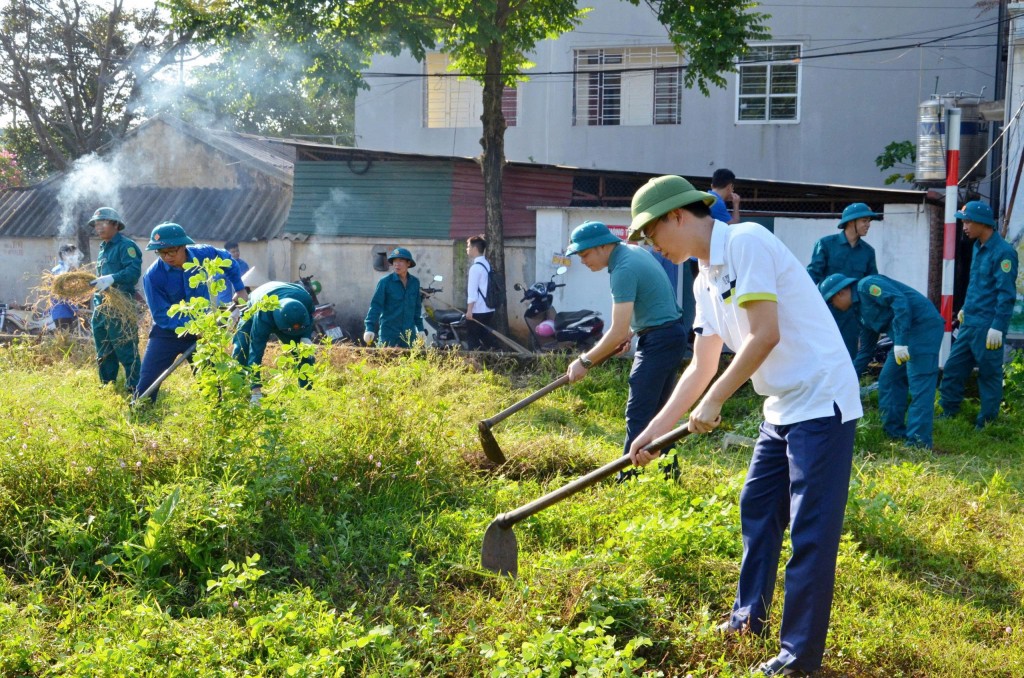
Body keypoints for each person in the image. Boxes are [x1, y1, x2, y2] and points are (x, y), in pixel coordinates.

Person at [627, 175, 862, 677]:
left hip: (821, 398)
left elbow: (764, 336)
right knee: (757, 508)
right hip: (781, 405)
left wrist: (713, 404)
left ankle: (799, 657)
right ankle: (746, 619)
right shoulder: (702, 278)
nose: (653, 247)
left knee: (811, 532)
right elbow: (700, 365)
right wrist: (651, 430)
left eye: (651, 234)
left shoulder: (746, 241)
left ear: (677, 216)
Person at [563, 221, 688, 478]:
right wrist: (632, 332)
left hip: (660, 340)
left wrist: (584, 361)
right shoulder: (633, 253)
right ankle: (671, 474)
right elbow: (652, 302)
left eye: (585, 254)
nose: (583, 261)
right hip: (669, 333)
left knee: (638, 413)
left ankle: (627, 481)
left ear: (603, 246)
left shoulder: (623, 268)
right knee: (658, 412)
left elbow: (616, 332)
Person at [820, 273, 942, 449]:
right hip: (903, 339)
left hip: (923, 329)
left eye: (831, 301)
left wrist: (900, 342)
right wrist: (847, 378)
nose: (833, 306)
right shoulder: (858, 312)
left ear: (840, 293)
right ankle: (894, 432)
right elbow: (866, 350)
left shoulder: (867, 286)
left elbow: (900, 302)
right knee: (889, 380)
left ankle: (919, 443)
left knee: (920, 385)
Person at [135, 223, 247, 402]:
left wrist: (240, 289)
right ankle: (139, 414)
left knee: (210, 384)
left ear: (183, 246)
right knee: (148, 381)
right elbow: (161, 315)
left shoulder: (205, 254)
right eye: (161, 253)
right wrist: (192, 327)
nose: (167, 257)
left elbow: (228, 261)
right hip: (168, 332)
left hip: (204, 331)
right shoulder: (153, 276)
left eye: (171, 251)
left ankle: (216, 418)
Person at [939, 200, 1019, 428]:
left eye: (968, 221)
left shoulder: (1004, 253)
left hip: (988, 326)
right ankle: (948, 411)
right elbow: (977, 284)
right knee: (953, 369)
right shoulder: (977, 247)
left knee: (989, 374)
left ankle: (987, 422)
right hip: (970, 321)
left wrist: (998, 326)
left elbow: (1006, 294)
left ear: (982, 223)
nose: (964, 226)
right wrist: (965, 307)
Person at [806, 202, 882, 376]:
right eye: (864, 221)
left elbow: (872, 283)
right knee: (820, 354)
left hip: (853, 315)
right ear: (850, 222)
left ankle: (844, 397)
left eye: (869, 221)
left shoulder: (868, 252)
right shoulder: (825, 244)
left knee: (848, 356)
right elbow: (812, 275)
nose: (868, 225)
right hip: (826, 311)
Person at [87, 207, 142, 391]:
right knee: (104, 351)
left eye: (103, 223)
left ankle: (135, 389)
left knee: (126, 349)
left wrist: (112, 278)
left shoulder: (126, 246)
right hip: (101, 306)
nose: (99, 227)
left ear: (116, 225)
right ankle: (107, 386)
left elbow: (133, 272)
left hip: (120, 307)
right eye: (96, 224)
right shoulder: (103, 248)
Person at [232, 281, 315, 404]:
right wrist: (256, 390)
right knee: (242, 347)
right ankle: (240, 392)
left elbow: (310, 318)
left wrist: (306, 336)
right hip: (256, 304)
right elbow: (255, 350)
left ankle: (306, 392)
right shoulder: (263, 316)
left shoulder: (306, 300)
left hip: (291, 298)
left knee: (305, 352)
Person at [363, 247, 425, 348]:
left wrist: (420, 328)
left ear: (408, 263)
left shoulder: (414, 283)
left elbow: (417, 308)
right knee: (386, 362)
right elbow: (375, 306)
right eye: (395, 261)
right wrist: (369, 328)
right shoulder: (385, 282)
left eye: (401, 261)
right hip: (389, 334)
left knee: (411, 362)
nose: (397, 264)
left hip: (409, 334)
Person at [465, 234, 496, 350]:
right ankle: (495, 353)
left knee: (472, 338)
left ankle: (475, 361)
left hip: (478, 309)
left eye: (468, 247)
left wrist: (469, 311)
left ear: (474, 249)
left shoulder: (475, 268)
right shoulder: (487, 264)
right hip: (489, 308)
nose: (467, 249)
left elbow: (472, 292)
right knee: (484, 335)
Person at [50, 243, 82, 330]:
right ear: (63, 255)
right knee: (65, 341)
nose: (74, 257)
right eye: (72, 254)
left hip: (68, 312)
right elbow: (63, 294)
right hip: (62, 312)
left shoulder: (69, 270)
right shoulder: (60, 271)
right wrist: (76, 309)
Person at [216, 240, 251, 306]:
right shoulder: (221, 265)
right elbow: (215, 279)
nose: (236, 253)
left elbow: (247, 282)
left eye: (237, 251)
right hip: (224, 300)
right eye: (233, 252)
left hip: (239, 301)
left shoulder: (244, 265)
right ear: (227, 253)